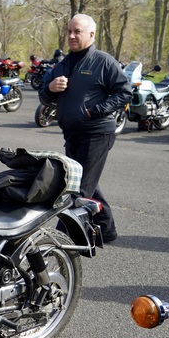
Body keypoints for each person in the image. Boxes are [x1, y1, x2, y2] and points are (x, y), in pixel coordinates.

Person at [39, 14, 132, 243]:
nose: (71, 36)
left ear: (91, 34)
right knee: (87, 183)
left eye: (77, 31)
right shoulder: (62, 64)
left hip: (97, 133)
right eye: (69, 31)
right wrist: (50, 88)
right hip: (72, 134)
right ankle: (107, 229)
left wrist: (96, 111)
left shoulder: (103, 61)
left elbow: (124, 92)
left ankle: (57, 241)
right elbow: (44, 96)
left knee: (77, 189)